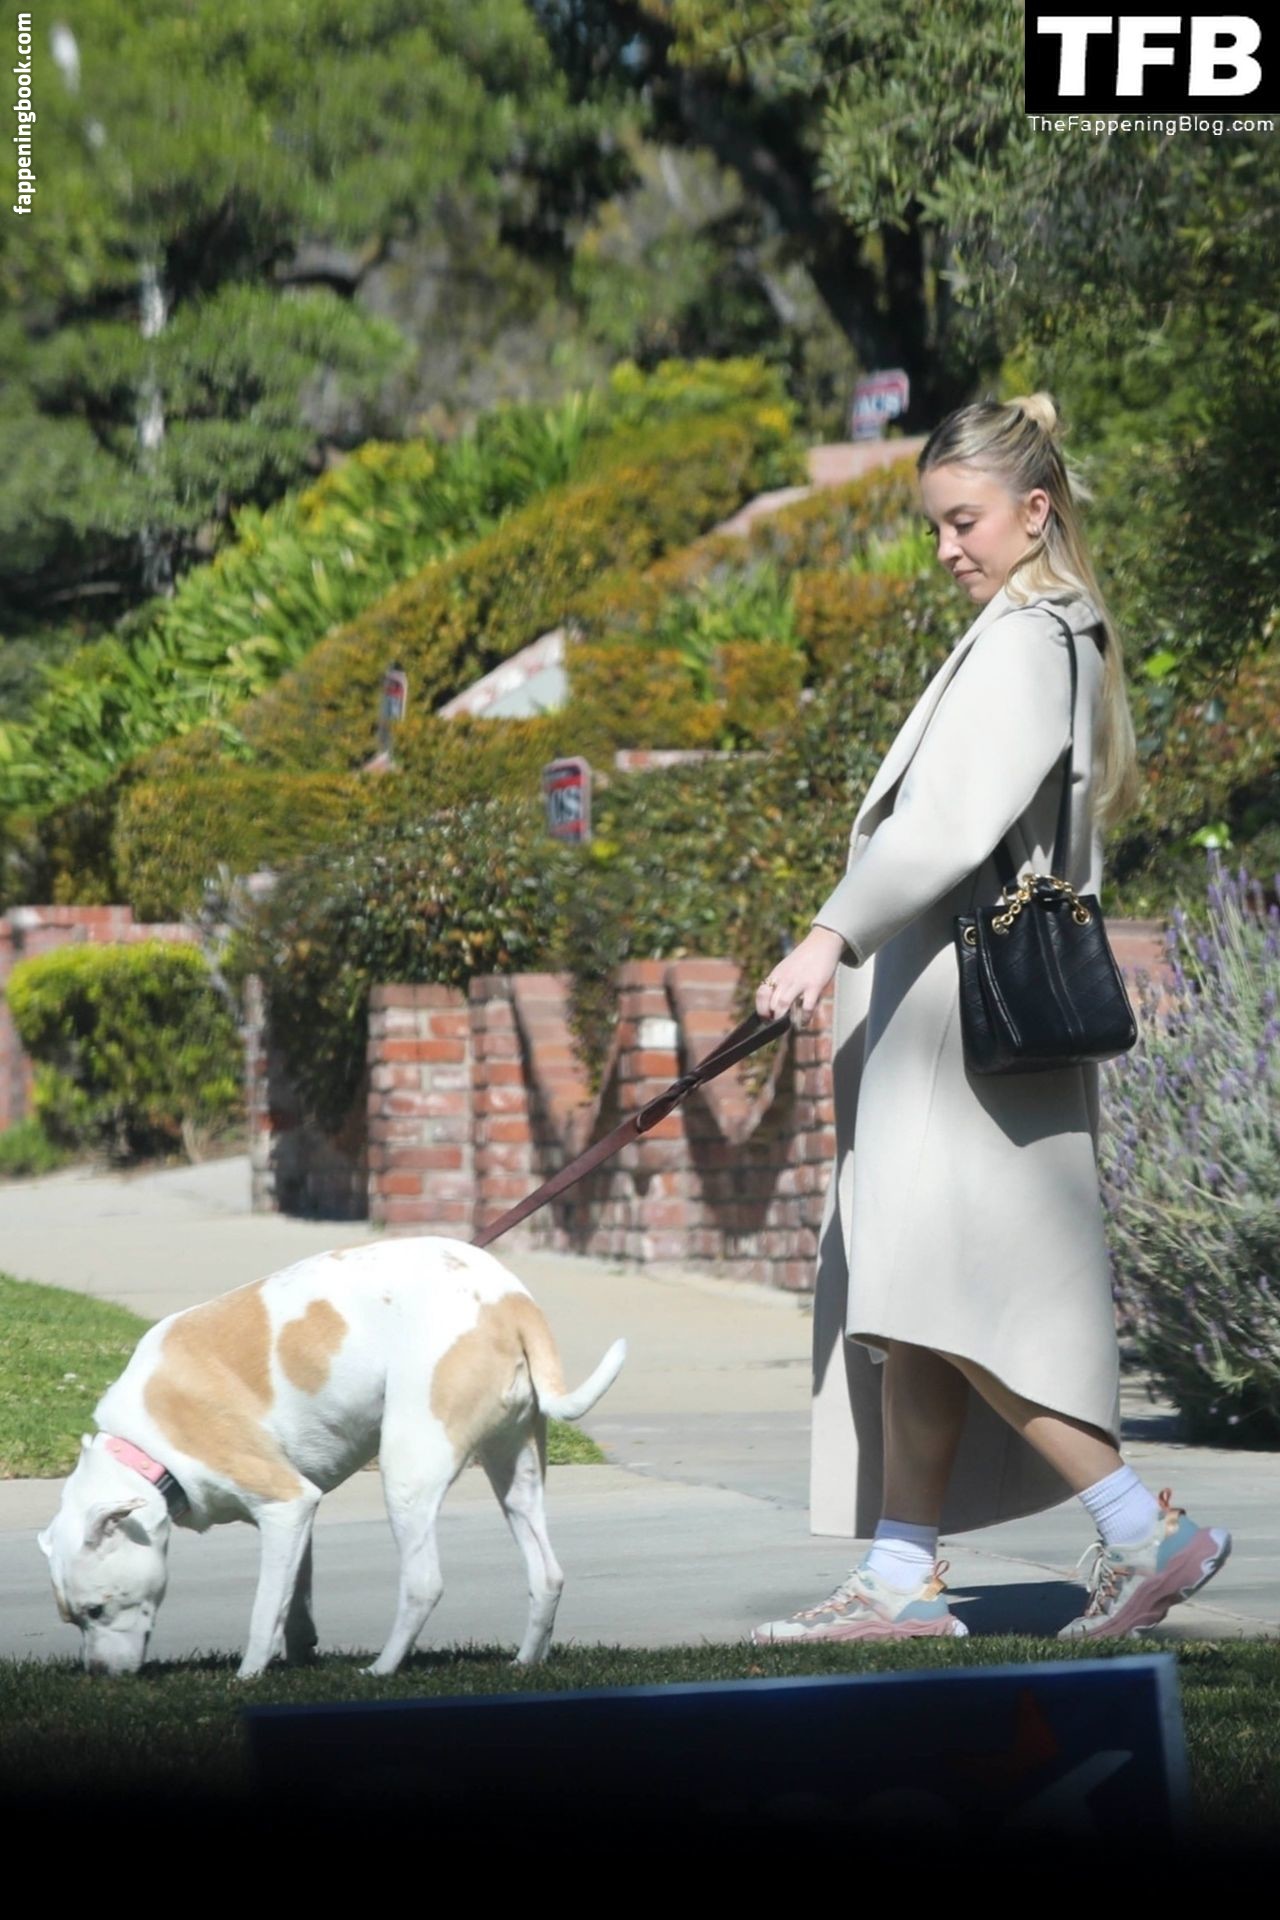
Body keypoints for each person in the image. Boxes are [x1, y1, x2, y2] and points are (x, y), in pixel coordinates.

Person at [751, 393, 1231, 1643]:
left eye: (961, 522)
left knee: (944, 1300)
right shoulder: (1043, 629)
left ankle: (1142, 1532)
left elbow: (948, 826)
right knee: (917, 1302)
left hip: (954, 1030)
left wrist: (825, 935)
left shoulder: (1025, 637)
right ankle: (898, 1578)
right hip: (966, 1021)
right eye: (933, 526)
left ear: (1032, 511)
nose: (944, 548)